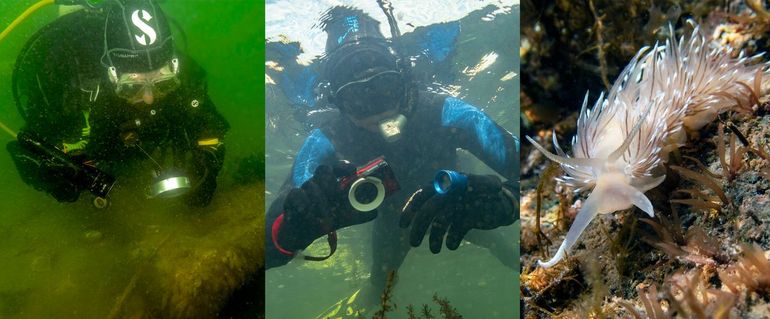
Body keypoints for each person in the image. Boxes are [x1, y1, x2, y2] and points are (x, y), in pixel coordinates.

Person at [266, 6, 519, 312]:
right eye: (359, 99)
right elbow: (267, 246)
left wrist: (508, 199)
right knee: (379, 283)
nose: (379, 110)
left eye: (385, 88)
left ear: (402, 81)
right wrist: (293, 227)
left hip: (458, 205)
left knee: (501, 248)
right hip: (424, 216)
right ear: (338, 104)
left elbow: (537, 167)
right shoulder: (330, 137)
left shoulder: (443, 112)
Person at [7, 0, 229, 207]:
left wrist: (207, 166)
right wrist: (53, 177)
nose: (149, 97)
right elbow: (26, 149)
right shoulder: (66, 86)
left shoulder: (181, 74)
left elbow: (209, 128)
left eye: (163, 84)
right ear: (111, 76)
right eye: (132, 87)